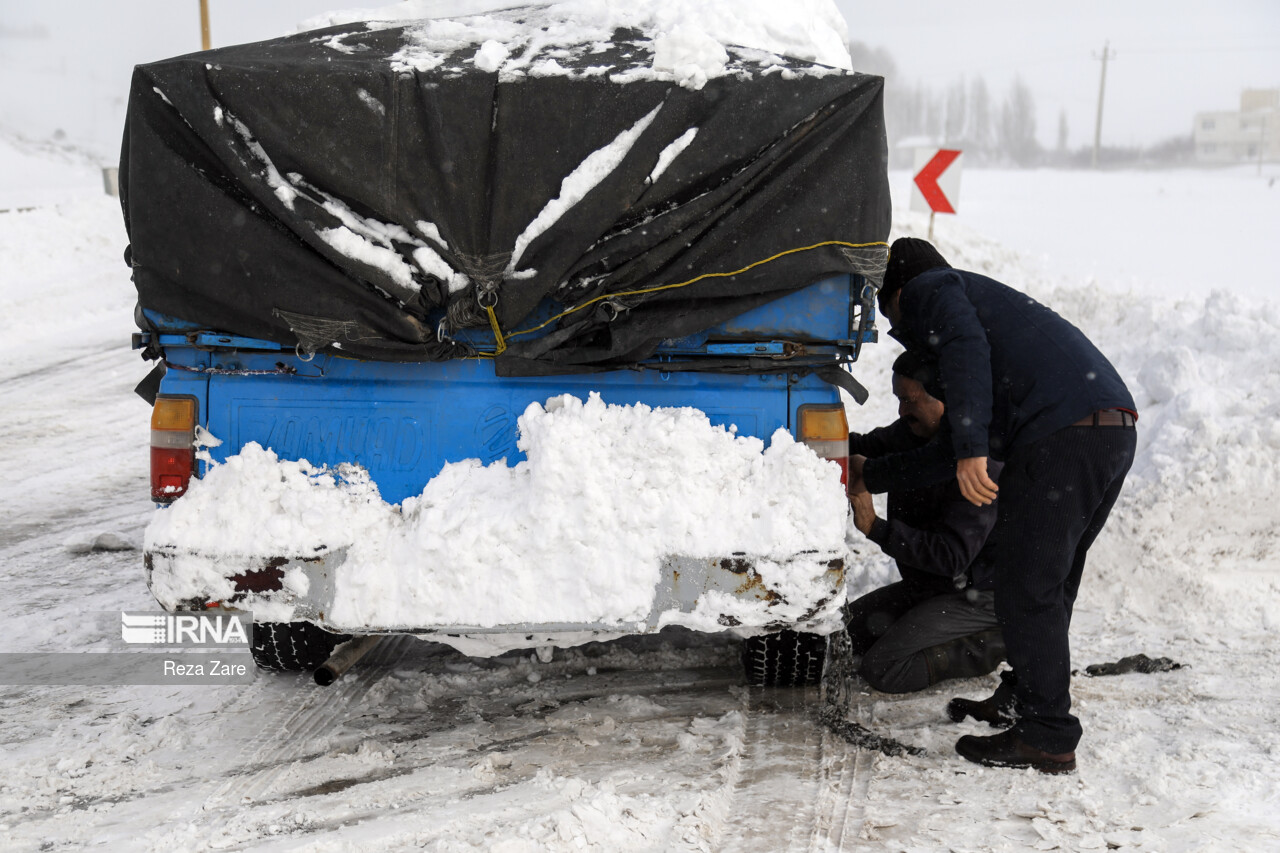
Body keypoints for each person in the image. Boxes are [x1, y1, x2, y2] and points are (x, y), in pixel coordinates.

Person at [852, 237, 1137, 775]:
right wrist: (873, 471)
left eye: (888, 310)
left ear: (896, 289)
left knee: (1025, 586)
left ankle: (1048, 737)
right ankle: (1024, 699)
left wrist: (972, 447)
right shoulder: (991, 334)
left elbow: (961, 345)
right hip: (1106, 429)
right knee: (1049, 585)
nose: (896, 326)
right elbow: (941, 452)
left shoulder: (933, 288)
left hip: (1064, 435)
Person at [845, 350, 1005, 695]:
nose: (902, 411)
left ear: (944, 399)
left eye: (909, 401)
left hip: (977, 596)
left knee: (883, 669)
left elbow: (951, 557)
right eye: (898, 400)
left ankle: (994, 642)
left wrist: (875, 526)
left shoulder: (980, 464)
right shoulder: (912, 432)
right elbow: (862, 447)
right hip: (930, 587)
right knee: (841, 636)